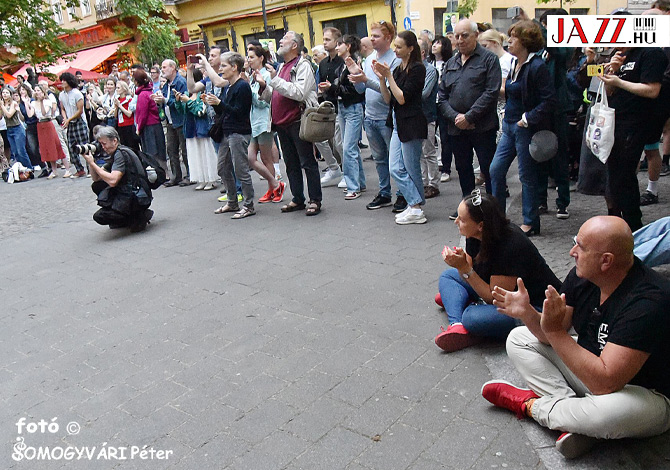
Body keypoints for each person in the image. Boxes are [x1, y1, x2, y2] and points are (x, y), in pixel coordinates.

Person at [483, 216, 670, 459]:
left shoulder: (648, 301)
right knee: (519, 338)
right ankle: (577, 422)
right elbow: (551, 335)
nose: (572, 252)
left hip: (645, 395)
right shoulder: (582, 276)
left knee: (607, 415)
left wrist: (555, 332)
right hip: (590, 372)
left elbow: (605, 382)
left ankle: (529, 406)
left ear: (606, 261)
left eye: (580, 246)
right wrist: (528, 314)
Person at [435, 189, 560, 351]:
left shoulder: (510, 246)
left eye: (462, 219)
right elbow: (471, 270)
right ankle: (457, 325)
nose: (456, 221)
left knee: (472, 318)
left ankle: (466, 315)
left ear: (480, 225)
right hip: (492, 288)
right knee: (448, 277)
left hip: (532, 306)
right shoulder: (473, 234)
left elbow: (493, 298)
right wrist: (461, 264)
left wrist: (464, 268)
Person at [489, 20, 556, 236]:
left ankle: (531, 222)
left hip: (524, 127)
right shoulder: (516, 64)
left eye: (513, 37)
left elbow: (549, 100)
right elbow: (511, 92)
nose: (509, 41)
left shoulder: (537, 66)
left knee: (526, 176)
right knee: (495, 170)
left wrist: (527, 118)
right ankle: (498, 218)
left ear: (525, 41)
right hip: (509, 125)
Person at [437, 19, 502, 220]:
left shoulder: (489, 60)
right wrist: (456, 117)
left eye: (464, 35)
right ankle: (468, 209)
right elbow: (442, 96)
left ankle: (492, 211)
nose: (459, 40)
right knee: (463, 169)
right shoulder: (451, 63)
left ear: (475, 36)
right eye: (456, 36)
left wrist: (470, 116)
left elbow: (491, 92)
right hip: (457, 127)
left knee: (488, 168)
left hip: (482, 126)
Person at [599, 46, 667, 230]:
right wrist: (611, 74)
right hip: (615, 119)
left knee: (625, 175)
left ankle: (633, 225)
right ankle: (615, 221)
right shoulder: (622, 55)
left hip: (636, 120)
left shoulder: (650, 53)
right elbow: (610, 91)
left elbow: (652, 90)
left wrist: (619, 82)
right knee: (614, 175)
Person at [259, 31, 323, 216]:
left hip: (297, 120)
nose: (280, 41)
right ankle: (297, 198)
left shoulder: (303, 65)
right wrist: (264, 87)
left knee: (307, 162)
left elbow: (299, 93)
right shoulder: (281, 67)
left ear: (295, 45)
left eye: (285, 39)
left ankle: (315, 200)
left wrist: (275, 80)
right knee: (291, 163)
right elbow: (275, 95)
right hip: (281, 123)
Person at [375, 30, 427, 225]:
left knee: (411, 168)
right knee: (395, 166)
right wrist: (382, 78)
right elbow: (389, 99)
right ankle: (414, 205)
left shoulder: (418, 69)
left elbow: (402, 98)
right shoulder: (398, 69)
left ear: (410, 48)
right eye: (395, 46)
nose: (395, 50)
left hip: (412, 123)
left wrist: (388, 76)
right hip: (398, 122)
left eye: (399, 46)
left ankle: (416, 207)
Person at [349, 20, 401, 211]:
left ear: (388, 38)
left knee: (395, 160)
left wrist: (365, 80)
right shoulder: (369, 58)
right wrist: (356, 78)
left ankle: (402, 194)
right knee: (379, 159)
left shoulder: (394, 60)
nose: (372, 38)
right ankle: (385, 192)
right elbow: (363, 89)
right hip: (370, 117)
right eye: (372, 35)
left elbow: (388, 90)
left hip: (386, 117)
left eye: (376, 35)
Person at [203, 52, 255, 219]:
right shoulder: (229, 86)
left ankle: (248, 205)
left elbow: (239, 113)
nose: (221, 68)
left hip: (239, 133)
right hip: (227, 132)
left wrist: (220, 104)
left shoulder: (242, 86)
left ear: (234, 67)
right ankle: (232, 201)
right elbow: (225, 111)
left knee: (241, 170)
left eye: (224, 65)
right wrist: (214, 103)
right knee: (222, 167)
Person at [86, 126, 153, 232]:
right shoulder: (118, 152)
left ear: (114, 140)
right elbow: (96, 178)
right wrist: (91, 162)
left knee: (100, 216)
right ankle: (130, 216)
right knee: (97, 186)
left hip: (136, 198)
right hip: (135, 193)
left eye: (104, 143)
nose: (103, 147)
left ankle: (137, 217)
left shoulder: (120, 155)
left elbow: (113, 181)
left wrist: (92, 163)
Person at [247, 44, 286, 203]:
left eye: (252, 57)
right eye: (248, 57)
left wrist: (260, 86)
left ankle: (273, 188)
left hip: (264, 121)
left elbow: (264, 102)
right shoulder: (252, 75)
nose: (249, 60)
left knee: (266, 158)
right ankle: (275, 184)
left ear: (261, 58)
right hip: (254, 122)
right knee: (250, 158)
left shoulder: (266, 75)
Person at [174, 68, 218, 191]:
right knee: (195, 155)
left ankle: (211, 178)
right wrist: (179, 102)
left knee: (206, 154)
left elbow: (200, 111)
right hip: (190, 129)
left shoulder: (202, 93)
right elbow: (182, 111)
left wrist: (188, 102)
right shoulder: (188, 94)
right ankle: (201, 178)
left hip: (202, 128)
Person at [317, 27, 344, 187]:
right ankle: (334, 168)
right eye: (324, 39)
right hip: (326, 105)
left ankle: (347, 172)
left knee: (340, 143)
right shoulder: (323, 64)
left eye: (328, 40)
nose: (325, 43)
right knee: (319, 138)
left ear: (336, 41)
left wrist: (330, 88)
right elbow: (320, 83)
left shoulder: (343, 62)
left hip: (340, 106)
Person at [157, 59, 190, 186]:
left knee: (184, 148)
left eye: (164, 67)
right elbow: (165, 99)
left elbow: (180, 101)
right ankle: (176, 176)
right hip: (170, 120)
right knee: (171, 149)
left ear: (173, 68)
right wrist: (159, 100)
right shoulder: (167, 84)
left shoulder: (180, 82)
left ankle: (189, 175)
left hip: (180, 119)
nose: (162, 70)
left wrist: (164, 100)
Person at [430, 35, 454, 183]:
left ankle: (446, 168)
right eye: (433, 43)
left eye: (438, 43)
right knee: (431, 137)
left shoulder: (450, 63)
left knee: (445, 137)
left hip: (444, 104)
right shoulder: (429, 63)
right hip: (431, 104)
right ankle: (435, 165)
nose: (434, 46)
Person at [32, 84, 69, 179]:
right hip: (40, 124)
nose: (37, 92)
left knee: (57, 145)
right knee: (46, 148)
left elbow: (45, 113)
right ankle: (54, 170)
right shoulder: (33, 103)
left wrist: (41, 102)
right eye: (35, 90)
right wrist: (27, 103)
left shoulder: (47, 101)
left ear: (42, 91)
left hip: (48, 122)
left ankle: (67, 169)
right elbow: (30, 115)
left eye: (38, 90)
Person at [418, 38, 440, 199]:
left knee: (429, 151)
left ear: (423, 53)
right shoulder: (413, 69)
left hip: (427, 115)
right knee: (419, 152)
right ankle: (424, 181)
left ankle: (433, 183)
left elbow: (425, 94)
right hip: (416, 116)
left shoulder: (430, 70)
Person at [58, 72, 89, 178]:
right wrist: (65, 118)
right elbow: (62, 108)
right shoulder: (62, 95)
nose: (62, 82)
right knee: (71, 147)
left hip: (79, 121)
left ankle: (90, 168)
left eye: (64, 80)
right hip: (70, 122)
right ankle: (79, 169)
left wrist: (69, 119)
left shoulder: (77, 93)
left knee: (84, 146)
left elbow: (80, 110)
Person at [0, 86, 34, 170]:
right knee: (15, 152)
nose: (4, 94)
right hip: (9, 129)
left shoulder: (13, 103)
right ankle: (21, 169)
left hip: (17, 128)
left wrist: (2, 106)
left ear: (10, 94)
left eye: (7, 93)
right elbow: (1, 117)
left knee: (21, 151)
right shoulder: (3, 105)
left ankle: (29, 168)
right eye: (3, 93)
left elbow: (9, 115)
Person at [17, 84, 43, 174]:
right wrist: (19, 111)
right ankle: (43, 166)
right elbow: (23, 118)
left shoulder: (32, 100)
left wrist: (26, 103)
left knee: (42, 146)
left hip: (37, 123)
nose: (21, 92)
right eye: (20, 90)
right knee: (33, 148)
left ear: (27, 90)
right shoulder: (20, 104)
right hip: (29, 126)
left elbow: (32, 114)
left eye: (23, 89)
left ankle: (50, 166)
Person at [114, 81, 140, 153]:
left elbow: (129, 114)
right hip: (120, 125)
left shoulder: (129, 99)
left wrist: (120, 106)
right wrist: (116, 107)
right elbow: (115, 115)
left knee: (132, 146)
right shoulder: (117, 99)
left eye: (118, 88)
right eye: (116, 88)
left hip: (129, 125)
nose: (117, 90)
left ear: (124, 89)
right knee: (123, 146)